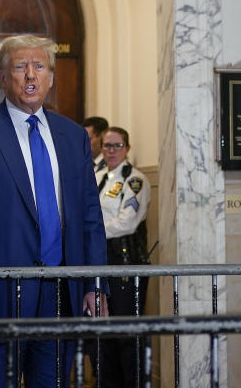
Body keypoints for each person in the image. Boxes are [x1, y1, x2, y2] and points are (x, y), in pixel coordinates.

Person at [0, 34, 108, 388]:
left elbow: (90, 216)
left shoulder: (72, 136)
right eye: (20, 67)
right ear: (1, 78)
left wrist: (95, 282)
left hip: (61, 294)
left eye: (39, 67)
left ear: (51, 77)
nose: (31, 75)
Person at [96, 126, 151, 386]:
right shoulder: (98, 175)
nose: (111, 151)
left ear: (127, 148)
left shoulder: (134, 180)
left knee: (126, 333)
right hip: (99, 259)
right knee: (102, 332)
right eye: (107, 145)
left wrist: (92, 233)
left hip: (125, 263)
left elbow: (127, 223)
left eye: (117, 145)